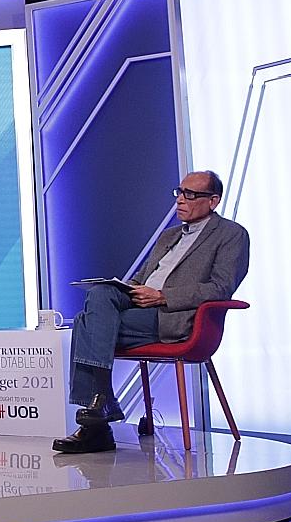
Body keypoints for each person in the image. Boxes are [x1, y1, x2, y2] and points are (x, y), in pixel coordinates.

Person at [53, 170, 250, 454]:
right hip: (138, 304)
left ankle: (96, 424)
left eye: (190, 195)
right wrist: (125, 288)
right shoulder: (169, 236)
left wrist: (162, 296)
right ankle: (99, 408)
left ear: (213, 201)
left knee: (86, 323)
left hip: (173, 315)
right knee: (100, 294)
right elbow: (142, 277)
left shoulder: (231, 235)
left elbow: (220, 287)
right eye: (179, 192)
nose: (180, 200)